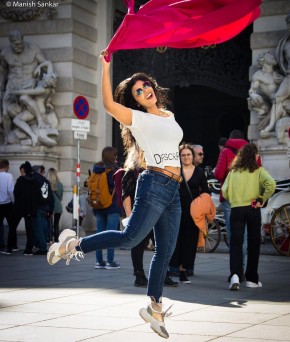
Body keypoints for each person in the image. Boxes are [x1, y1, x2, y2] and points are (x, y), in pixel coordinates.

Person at [47, 50, 183, 339]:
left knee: (165, 251)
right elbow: (108, 104)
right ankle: (71, 245)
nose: (144, 90)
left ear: (153, 87)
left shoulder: (169, 115)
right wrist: (105, 67)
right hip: (155, 184)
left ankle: (155, 308)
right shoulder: (138, 118)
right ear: (134, 100)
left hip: (173, 190)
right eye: (137, 91)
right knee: (130, 238)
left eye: (146, 85)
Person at [121, 147, 178, 287]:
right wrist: (130, 217)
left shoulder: (156, 172)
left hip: (157, 213)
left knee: (162, 245)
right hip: (140, 214)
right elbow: (126, 196)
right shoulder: (131, 173)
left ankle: (163, 275)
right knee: (139, 244)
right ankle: (139, 275)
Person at [222, 143, 275, 290]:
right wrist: (261, 199)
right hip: (252, 209)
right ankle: (252, 279)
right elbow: (271, 184)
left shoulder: (233, 173)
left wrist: (234, 198)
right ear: (254, 156)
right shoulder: (259, 171)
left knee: (236, 243)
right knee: (253, 243)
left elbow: (224, 191)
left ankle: (235, 275)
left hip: (236, 209)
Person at [0, 30, 53, 143]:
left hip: (28, 85)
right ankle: (7, 141)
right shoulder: (5, 53)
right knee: (5, 114)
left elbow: (46, 63)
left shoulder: (33, 49)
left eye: (20, 43)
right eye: (16, 44)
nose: (19, 46)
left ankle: (33, 127)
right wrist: (1, 88)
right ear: (11, 43)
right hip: (12, 84)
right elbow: (3, 71)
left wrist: (42, 68)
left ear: (22, 40)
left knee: (24, 100)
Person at [169, 144, 210, 284]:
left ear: (193, 156)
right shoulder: (175, 171)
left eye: (188, 154)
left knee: (190, 241)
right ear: (179, 157)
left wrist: (202, 206)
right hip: (176, 209)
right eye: (183, 155)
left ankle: (184, 270)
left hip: (193, 212)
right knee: (175, 240)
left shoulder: (199, 172)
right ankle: (174, 267)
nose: (186, 157)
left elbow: (205, 192)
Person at [92, 146, 121, 270]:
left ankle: (99, 261)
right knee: (111, 235)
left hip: (98, 205)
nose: (117, 157)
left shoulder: (97, 169)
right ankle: (110, 261)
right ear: (112, 156)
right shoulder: (115, 170)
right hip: (112, 206)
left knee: (99, 234)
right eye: (115, 155)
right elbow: (119, 188)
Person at [14, 161, 40, 255]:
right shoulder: (34, 181)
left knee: (13, 226)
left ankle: (11, 246)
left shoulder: (20, 180)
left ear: (23, 170)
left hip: (20, 208)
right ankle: (29, 249)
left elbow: (16, 193)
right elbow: (37, 195)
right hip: (31, 208)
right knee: (30, 230)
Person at [32, 164, 54, 255]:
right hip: (46, 208)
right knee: (44, 227)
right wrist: (51, 209)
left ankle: (42, 248)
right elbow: (51, 197)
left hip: (38, 207)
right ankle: (42, 245)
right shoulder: (46, 181)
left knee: (39, 229)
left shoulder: (33, 180)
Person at [0, 159, 16, 255]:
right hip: (7, 203)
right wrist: (13, 201)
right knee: (11, 226)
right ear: (7, 166)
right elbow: (10, 190)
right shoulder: (8, 176)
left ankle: (1, 244)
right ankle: (10, 246)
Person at [47, 168, 64, 243]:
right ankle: (56, 239)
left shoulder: (46, 184)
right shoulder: (60, 184)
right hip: (58, 206)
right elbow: (61, 197)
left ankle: (50, 239)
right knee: (56, 225)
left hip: (49, 206)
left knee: (49, 224)